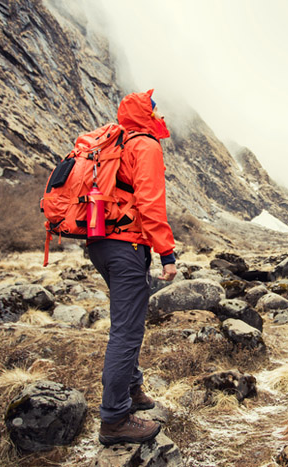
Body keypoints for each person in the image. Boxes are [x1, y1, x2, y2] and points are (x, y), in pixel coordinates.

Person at [89, 89, 177, 446]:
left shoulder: (113, 142)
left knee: (128, 322)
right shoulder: (146, 146)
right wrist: (166, 254)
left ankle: (134, 390)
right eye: (155, 109)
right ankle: (114, 419)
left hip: (100, 245)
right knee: (126, 331)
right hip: (126, 245)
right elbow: (150, 202)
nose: (160, 115)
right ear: (147, 114)